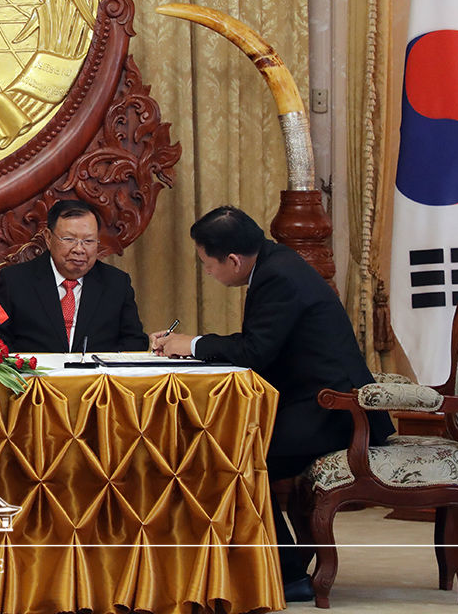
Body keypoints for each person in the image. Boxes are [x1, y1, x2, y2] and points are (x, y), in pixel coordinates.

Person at [151, 205, 394, 602]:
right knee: (226, 447)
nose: (208, 273)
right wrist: (193, 346)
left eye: (207, 264)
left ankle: (288, 574)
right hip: (316, 404)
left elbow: (255, 351)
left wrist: (191, 344)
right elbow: (265, 344)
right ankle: (268, 563)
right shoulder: (275, 264)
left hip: (335, 413)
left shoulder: (278, 274)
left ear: (232, 259)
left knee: (234, 457)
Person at [0, 199, 146, 353]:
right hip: (35, 375)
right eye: (69, 239)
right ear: (48, 237)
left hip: (95, 376)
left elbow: (134, 341)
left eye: (88, 241)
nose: (79, 249)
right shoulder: (15, 281)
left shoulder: (116, 284)